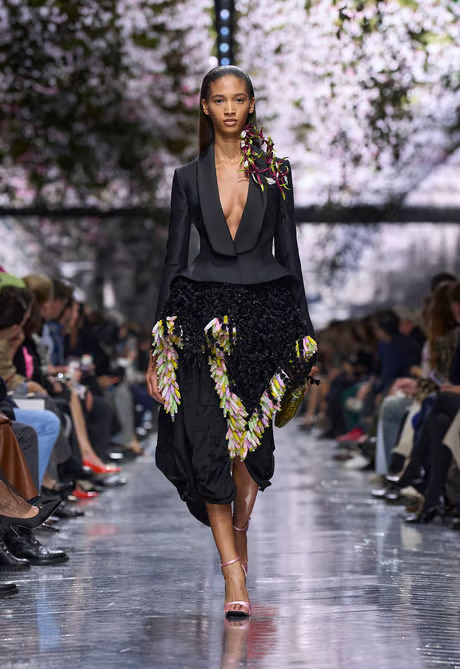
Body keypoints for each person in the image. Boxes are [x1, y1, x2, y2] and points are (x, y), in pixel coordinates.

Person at [146, 65, 318, 618]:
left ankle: (239, 530)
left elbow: (290, 255)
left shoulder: (277, 172)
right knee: (205, 443)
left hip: (268, 319)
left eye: (238, 99)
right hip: (202, 320)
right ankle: (233, 574)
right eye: (218, 100)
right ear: (204, 106)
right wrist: (158, 348)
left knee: (251, 453)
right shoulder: (186, 178)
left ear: (251, 105)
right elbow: (174, 262)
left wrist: (305, 336)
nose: (228, 109)